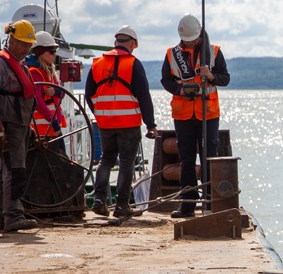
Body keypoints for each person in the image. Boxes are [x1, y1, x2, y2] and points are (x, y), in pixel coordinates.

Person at [160, 13, 230, 218]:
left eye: (193, 40)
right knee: (187, 160)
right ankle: (188, 205)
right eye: (187, 41)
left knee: (209, 158)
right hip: (183, 115)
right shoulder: (172, 54)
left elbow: (225, 79)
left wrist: (211, 76)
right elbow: (166, 80)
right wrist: (179, 90)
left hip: (208, 113)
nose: (190, 44)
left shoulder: (214, 51)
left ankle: (210, 204)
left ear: (199, 35)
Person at [85, 25, 157, 218]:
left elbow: (88, 94)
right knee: (127, 162)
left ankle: (99, 201)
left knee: (106, 160)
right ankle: (121, 206)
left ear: (115, 41)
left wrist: (99, 114)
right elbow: (144, 97)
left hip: (105, 122)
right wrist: (151, 125)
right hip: (129, 123)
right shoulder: (133, 63)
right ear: (133, 43)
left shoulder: (98, 63)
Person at [0, 20, 37, 232]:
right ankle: (12, 216)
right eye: (23, 44)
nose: (26, 48)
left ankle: (2, 217)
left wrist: (27, 126)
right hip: (7, 125)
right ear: (11, 41)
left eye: (29, 45)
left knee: (6, 170)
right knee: (14, 171)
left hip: (18, 124)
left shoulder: (17, 64)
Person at [25, 31, 67, 152]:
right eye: (51, 51)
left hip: (50, 125)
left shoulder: (49, 71)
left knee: (60, 156)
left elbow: (62, 92)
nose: (55, 55)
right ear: (41, 53)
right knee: (56, 157)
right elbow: (36, 100)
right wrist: (53, 121)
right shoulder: (34, 72)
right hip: (43, 127)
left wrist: (56, 91)